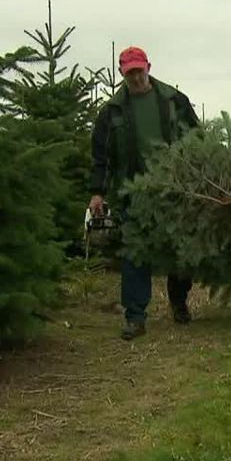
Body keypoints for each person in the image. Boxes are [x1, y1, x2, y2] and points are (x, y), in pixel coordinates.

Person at [89, 46, 201, 340]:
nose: (136, 77)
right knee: (135, 253)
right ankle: (135, 316)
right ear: (122, 74)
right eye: (130, 73)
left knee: (180, 250)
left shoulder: (174, 100)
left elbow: (197, 138)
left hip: (174, 187)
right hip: (132, 190)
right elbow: (100, 156)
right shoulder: (111, 111)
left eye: (140, 71)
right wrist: (97, 192)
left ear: (148, 67)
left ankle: (178, 302)